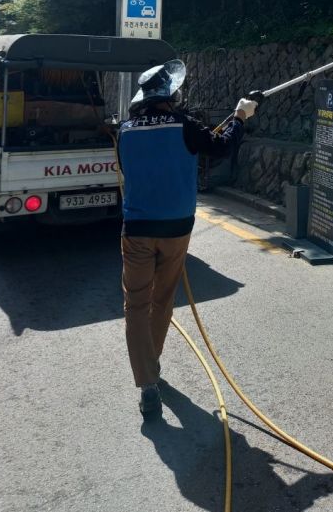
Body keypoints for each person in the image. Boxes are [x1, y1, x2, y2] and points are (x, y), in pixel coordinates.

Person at [117, 58, 257, 419]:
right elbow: (220, 145)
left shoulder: (125, 130)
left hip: (136, 229)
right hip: (176, 227)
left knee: (135, 304)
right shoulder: (185, 125)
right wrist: (240, 117)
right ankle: (153, 365)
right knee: (162, 299)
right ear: (170, 95)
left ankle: (146, 382)